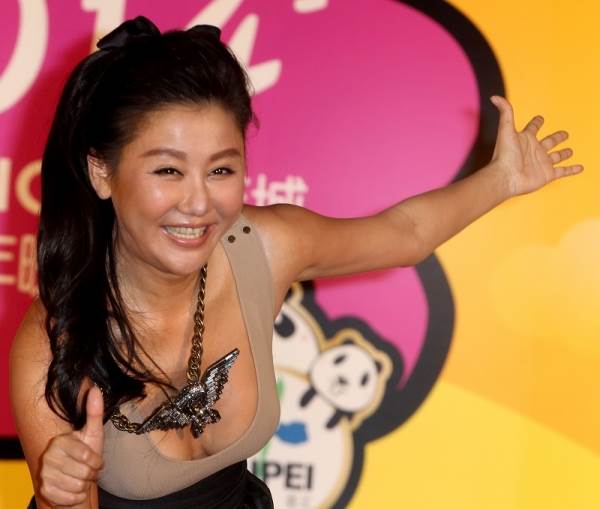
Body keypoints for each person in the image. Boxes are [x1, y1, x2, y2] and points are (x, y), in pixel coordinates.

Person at [9, 15, 582, 509]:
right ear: (102, 172)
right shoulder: (54, 341)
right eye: (168, 171)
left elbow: (404, 234)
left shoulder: (260, 245)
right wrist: (61, 496)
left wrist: (502, 179)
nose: (199, 202)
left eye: (221, 169)